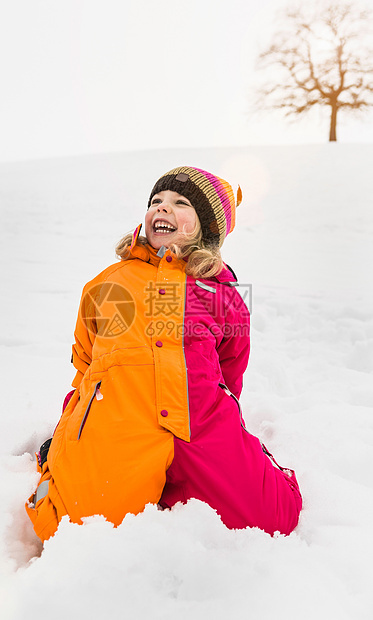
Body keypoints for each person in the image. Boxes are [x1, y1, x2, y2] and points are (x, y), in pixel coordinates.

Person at [26, 166, 302, 542]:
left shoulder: (223, 295)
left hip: (200, 420)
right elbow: (87, 358)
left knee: (273, 517)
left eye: (180, 202)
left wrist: (226, 428)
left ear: (206, 229)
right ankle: (64, 454)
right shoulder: (111, 281)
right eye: (156, 201)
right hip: (122, 413)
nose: (163, 208)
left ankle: (223, 468)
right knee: (71, 526)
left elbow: (230, 371)